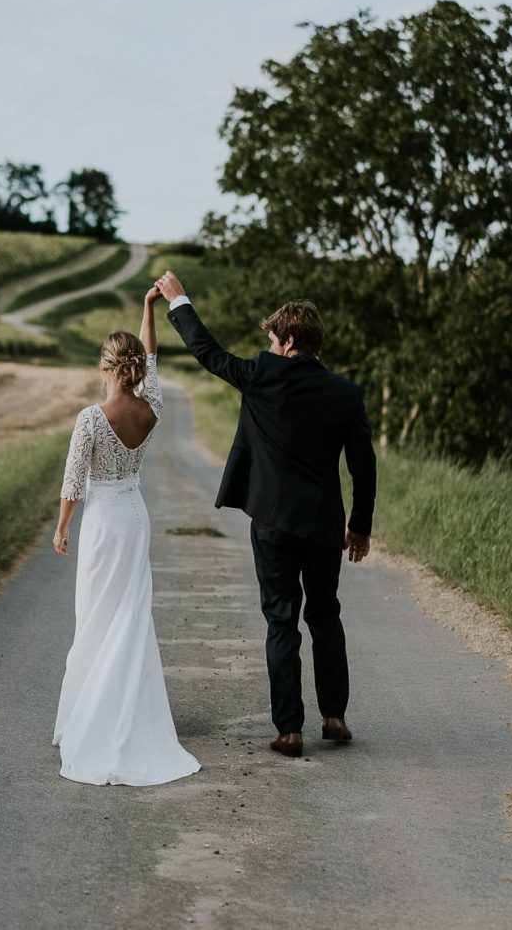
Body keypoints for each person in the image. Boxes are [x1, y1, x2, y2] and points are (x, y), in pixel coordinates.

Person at [155, 270, 376, 759]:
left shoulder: (261, 377)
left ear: (290, 340)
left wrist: (179, 300)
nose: (271, 346)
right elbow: (364, 467)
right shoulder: (345, 394)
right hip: (322, 525)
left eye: (274, 339)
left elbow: (206, 352)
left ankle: (290, 730)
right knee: (325, 615)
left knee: (281, 621)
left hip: (273, 523)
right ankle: (335, 716)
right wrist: (359, 526)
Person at [51, 286, 200, 786]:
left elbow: (74, 482)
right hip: (135, 516)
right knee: (131, 614)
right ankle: (130, 709)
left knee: (94, 614)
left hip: (102, 523)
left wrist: (62, 527)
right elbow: (151, 354)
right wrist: (148, 309)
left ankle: (90, 712)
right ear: (135, 368)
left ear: (106, 367)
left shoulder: (91, 419)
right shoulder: (151, 407)